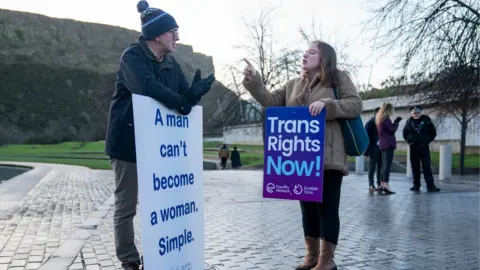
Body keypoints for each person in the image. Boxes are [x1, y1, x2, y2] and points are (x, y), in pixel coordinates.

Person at [104, 1, 215, 269]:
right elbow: (146, 87)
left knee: (166, 202)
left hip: (158, 146)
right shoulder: (133, 56)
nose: (177, 37)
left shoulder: (171, 64)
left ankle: (163, 253)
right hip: (128, 143)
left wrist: (195, 92)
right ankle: (129, 260)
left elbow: (183, 100)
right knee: (126, 206)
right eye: (173, 31)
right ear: (156, 34)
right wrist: (182, 101)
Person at [242, 40, 363, 270]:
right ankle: (311, 256)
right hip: (301, 158)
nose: (305, 55)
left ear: (324, 58)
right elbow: (269, 101)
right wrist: (254, 80)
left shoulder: (338, 78)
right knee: (307, 208)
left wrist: (328, 105)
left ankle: (327, 260)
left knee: (326, 208)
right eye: (305, 51)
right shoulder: (292, 84)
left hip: (328, 157)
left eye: (312, 52)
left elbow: (355, 105)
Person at [403, 106, 441, 192]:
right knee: (415, 167)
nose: (416, 114)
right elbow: (405, 133)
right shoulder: (409, 121)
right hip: (413, 147)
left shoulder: (427, 120)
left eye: (417, 112)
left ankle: (430, 186)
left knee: (427, 167)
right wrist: (409, 142)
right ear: (412, 113)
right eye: (414, 113)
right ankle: (416, 185)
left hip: (424, 147)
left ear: (421, 112)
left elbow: (433, 132)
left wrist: (427, 140)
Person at [376, 102, 402, 195]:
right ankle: (386, 185)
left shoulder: (379, 119)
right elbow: (392, 130)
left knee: (384, 165)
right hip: (388, 145)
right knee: (387, 165)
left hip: (383, 144)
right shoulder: (386, 119)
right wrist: (396, 122)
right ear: (389, 110)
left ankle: (382, 184)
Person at [364, 107, 382, 192]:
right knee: (372, 167)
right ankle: (371, 184)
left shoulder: (383, 123)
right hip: (373, 148)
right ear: (376, 113)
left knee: (381, 166)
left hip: (382, 148)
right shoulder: (370, 123)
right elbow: (365, 137)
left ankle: (379, 184)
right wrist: (366, 150)